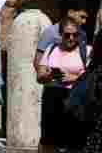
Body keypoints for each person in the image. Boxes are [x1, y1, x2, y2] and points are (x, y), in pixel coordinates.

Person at [36, 20, 89, 153]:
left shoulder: (86, 51)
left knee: (74, 141)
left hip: (75, 100)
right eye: (67, 35)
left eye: (74, 35)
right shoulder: (51, 49)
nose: (71, 38)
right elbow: (40, 76)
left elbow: (92, 77)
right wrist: (47, 76)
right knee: (49, 140)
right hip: (52, 98)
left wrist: (75, 78)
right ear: (61, 34)